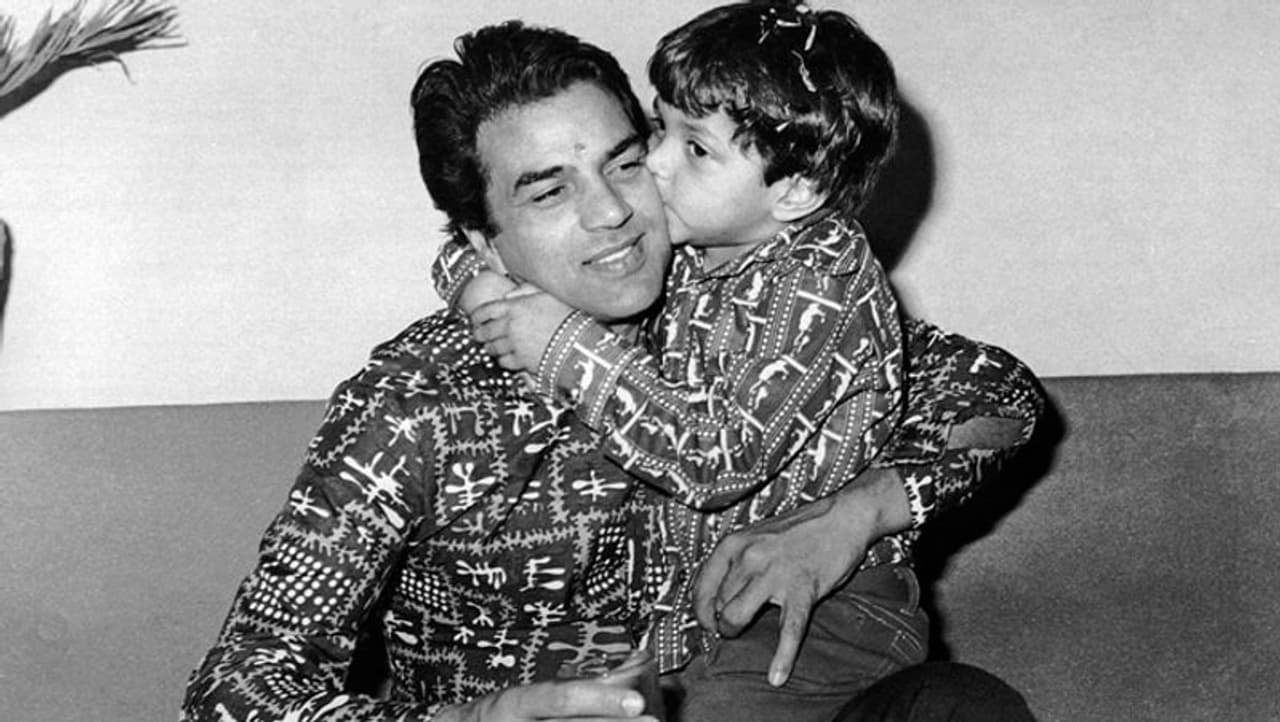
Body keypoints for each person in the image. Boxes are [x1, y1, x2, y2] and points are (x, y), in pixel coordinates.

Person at [183, 17, 1042, 722]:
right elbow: (233, 691)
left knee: (961, 708)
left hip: (752, 681)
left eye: (626, 162)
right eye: (549, 191)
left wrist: (852, 516)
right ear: (484, 241)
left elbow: (998, 393)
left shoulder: (727, 301)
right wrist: (469, 721)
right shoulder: (414, 404)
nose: (613, 214)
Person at [440, 3, 1041, 720]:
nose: (654, 164)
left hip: (823, 616)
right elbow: (485, 245)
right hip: (690, 626)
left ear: (796, 189)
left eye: (695, 148)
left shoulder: (820, 279)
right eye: (659, 129)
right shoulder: (699, 245)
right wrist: (472, 278)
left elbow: (715, 456)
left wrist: (566, 346)